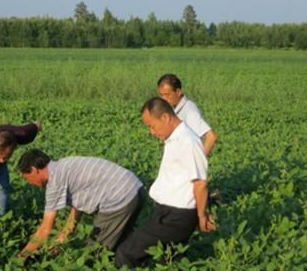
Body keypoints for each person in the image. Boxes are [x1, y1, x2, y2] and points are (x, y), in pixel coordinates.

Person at [115, 97, 216, 268]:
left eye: (152, 126)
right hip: (166, 213)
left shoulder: (188, 142)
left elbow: (200, 184)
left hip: (176, 217)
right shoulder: (174, 138)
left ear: (165, 118)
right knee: (167, 260)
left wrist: (201, 216)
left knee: (126, 253)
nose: (151, 132)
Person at [16, 149, 144, 259]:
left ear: (34, 170)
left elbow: (45, 229)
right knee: (126, 242)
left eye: (27, 178)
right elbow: (79, 203)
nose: (30, 183)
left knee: (94, 253)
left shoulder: (55, 182)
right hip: (135, 190)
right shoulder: (64, 165)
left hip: (119, 198)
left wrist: (21, 257)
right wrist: (64, 235)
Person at [157, 73, 217, 157]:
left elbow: (211, 137)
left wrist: (199, 162)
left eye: (167, 95)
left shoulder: (189, 111)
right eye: (161, 95)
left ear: (178, 92)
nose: (164, 99)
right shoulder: (174, 109)